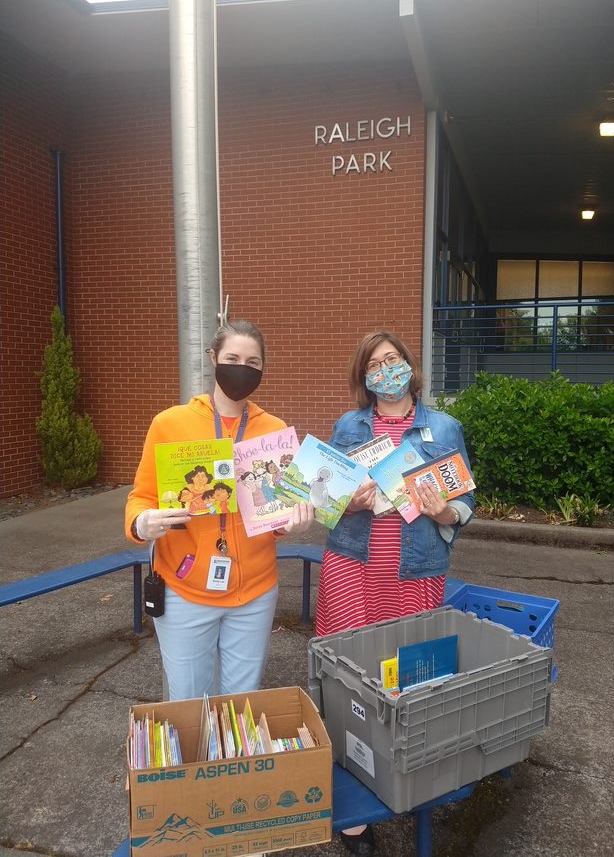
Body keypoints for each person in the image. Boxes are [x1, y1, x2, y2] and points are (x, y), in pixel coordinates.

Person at [315, 330, 475, 857]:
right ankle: (353, 809)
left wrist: (442, 511)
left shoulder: (443, 427)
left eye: (393, 359)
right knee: (346, 676)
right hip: (351, 567)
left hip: (415, 571)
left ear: (409, 365)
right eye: (374, 364)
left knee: (407, 676)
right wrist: (349, 502)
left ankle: (402, 773)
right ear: (364, 377)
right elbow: (320, 498)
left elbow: (466, 504)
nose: (385, 370)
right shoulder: (348, 426)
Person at [125, 319, 314, 702]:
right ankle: (198, 762)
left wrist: (289, 525)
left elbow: (274, 511)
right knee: (189, 700)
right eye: (232, 358)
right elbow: (140, 498)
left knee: (241, 701)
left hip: (255, 592)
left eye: (253, 363)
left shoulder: (274, 431)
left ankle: (231, 763)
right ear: (213, 358)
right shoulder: (169, 424)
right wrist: (142, 523)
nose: (241, 369)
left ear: (262, 370)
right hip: (185, 592)